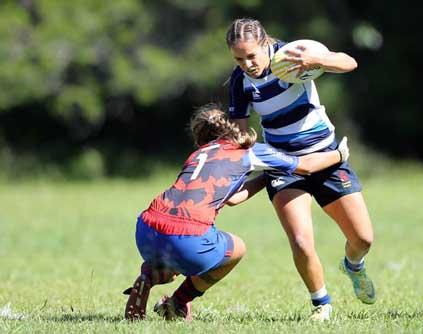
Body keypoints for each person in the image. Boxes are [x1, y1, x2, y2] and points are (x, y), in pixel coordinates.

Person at [123, 104, 351, 321]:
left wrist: (265, 177)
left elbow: (232, 197)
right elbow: (306, 165)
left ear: (200, 137)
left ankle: (149, 275)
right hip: (188, 236)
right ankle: (178, 303)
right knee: (236, 249)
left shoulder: (198, 155)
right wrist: (339, 155)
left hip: (146, 228)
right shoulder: (248, 150)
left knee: (176, 256)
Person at [225, 18, 376, 321]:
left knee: (363, 239)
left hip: (326, 157)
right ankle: (321, 304)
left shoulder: (292, 54)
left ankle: (353, 266)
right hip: (284, 165)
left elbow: (349, 63)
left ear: (265, 44)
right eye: (239, 59)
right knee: (301, 241)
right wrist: (242, 155)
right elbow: (240, 134)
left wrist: (316, 59)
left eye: (251, 56)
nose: (247, 64)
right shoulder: (240, 82)